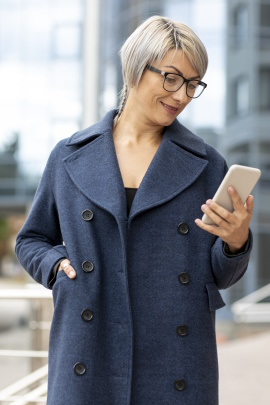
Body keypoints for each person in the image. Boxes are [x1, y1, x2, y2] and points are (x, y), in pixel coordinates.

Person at [15, 15, 253, 405]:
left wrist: (235, 242)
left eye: (193, 85)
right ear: (135, 70)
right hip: (88, 345)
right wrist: (56, 266)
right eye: (172, 78)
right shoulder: (69, 156)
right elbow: (31, 239)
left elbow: (222, 275)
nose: (181, 96)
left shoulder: (208, 164)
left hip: (177, 358)